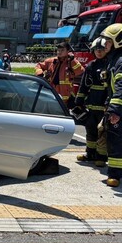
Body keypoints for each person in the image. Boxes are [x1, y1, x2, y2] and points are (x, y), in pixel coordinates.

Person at [74, 37, 109, 166]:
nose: (98, 52)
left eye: (101, 49)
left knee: (102, 131)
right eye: (96, 50)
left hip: (104, 104)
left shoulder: (110, 65)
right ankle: (90, 153)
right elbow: (84, 84)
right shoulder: (91, 65)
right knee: (90, 129)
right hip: (91, 103)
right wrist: (79, 100)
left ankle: (101, 156)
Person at [98, 23, 122, 187]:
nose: (103, 44)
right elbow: (112, 87)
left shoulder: (120, 60)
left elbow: (121, 86)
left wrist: (115, 110)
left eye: (107, 41)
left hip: (120, 110)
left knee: (115, 140)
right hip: (116, 107)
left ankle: (114, 175)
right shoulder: (115, 58)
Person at [34, 41, 85, 108]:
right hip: (51, 93)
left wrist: (73, 61)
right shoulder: (51, 61)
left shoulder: (71, 62)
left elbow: (80, 71)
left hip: (66, 97)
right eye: (58, 50)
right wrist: (40, 73)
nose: (59, 52)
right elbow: (38, 65)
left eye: (62, 50)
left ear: (68, 51)